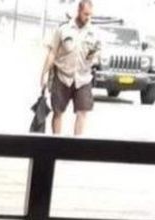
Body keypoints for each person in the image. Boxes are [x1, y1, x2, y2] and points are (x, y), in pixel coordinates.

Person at [40, 0, 100, 136]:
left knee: (82, 112)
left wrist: (94, 55)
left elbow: (97, 52)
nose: (88, 18)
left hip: (83, 78)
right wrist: (43, 74)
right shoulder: (63, 29)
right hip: (62, 77)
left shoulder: (94, 32)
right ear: (78, 11)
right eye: (85, 14)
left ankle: (76, 144)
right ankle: (57, 142)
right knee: (58, 112)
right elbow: (52, 53)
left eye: (90, 15)